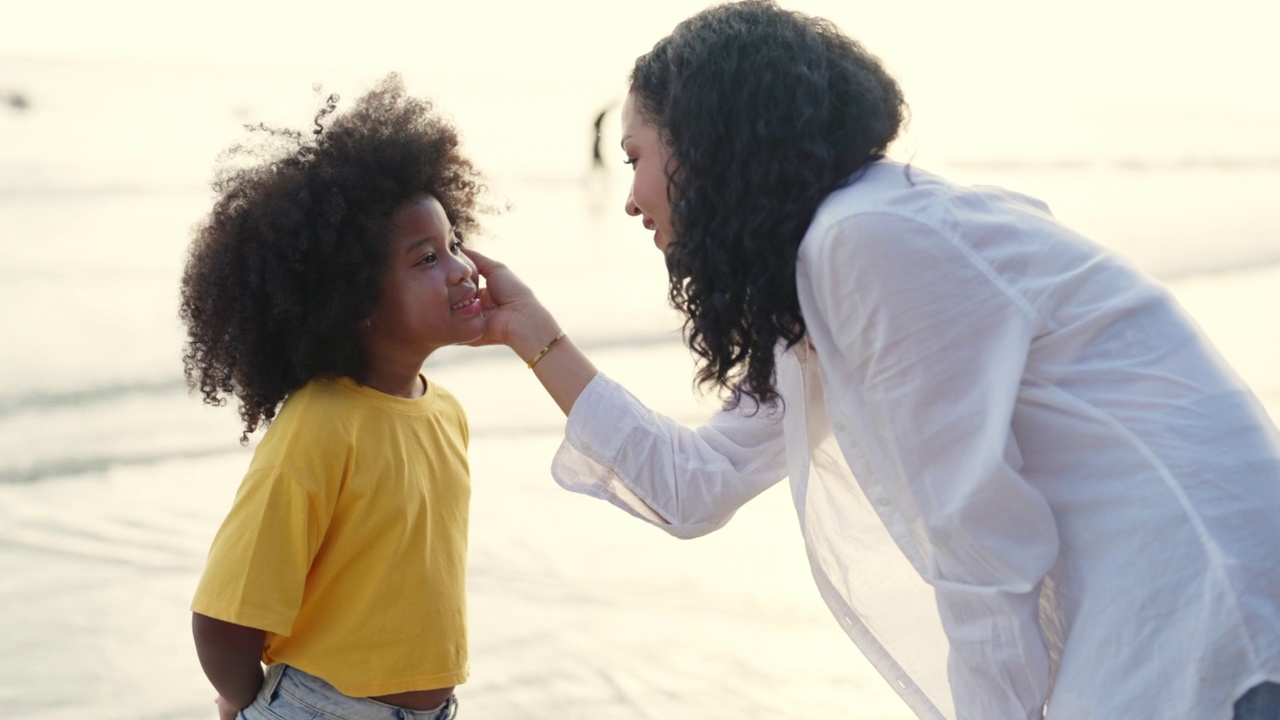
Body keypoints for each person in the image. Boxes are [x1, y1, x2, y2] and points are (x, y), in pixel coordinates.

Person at [464, 2, 1280, 718]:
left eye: (637, 154)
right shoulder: (834, 266)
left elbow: (982, 540)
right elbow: (694, 485)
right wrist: (531, 333)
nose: (633, 193)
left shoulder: (870, 241)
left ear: (708, 146)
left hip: (1211, 629)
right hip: (1171, 637)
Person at [180, 74, 486, 720]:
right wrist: (245, 702)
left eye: (454, 244)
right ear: (355, 303)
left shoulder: (446, 413)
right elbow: (221, 615)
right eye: (426, 258)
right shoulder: (320, 424)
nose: (461, 268)